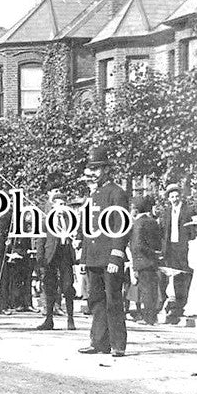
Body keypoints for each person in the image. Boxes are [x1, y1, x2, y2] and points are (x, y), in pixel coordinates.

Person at [77, 147, 131, 357]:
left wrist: (116, 255)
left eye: (98, 169)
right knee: (96, 301)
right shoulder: (93, 195)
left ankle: (118, 344)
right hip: (93, 257)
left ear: (107, 170)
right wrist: (84, 257)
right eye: (91, 168)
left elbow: (121, 226)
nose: (94, 173)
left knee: (113, 301)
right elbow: (87, 229)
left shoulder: (116, 193)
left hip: (109, 257)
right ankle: (99, 342)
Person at [35, 189, 78, 331]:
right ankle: (49, 319)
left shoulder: (70, 220)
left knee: (67, 287)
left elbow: (77, 236)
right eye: (60, 203)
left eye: (64, 204)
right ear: (54, 205)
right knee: (49, 287)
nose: (62, 207)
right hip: (51, 257)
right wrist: (40, 258)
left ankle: (70, 319)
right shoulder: (46, 220)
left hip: (65, 255)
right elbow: (40, 240)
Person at [160, 183, 194, 324]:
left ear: (181, 197)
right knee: (172, 278)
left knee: (184, 277)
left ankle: (181, 306)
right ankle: (174, 308)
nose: (174, 199)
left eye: (177, 196)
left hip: (183, 248)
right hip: (170, 249)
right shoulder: (167, 212)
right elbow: (163, 231)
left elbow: (192, 231)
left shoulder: (188, 211)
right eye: (172, 197)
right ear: (168, 198)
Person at [128, 195, 163, 326]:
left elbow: (137, 245)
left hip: (142, 260)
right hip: (152, 260)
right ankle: (152, 316)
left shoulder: (138, 224)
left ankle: (148, 318)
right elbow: (158, 242)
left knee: (146, 290)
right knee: (152, 289)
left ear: (137, 209)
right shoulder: (152, 222)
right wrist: (156, 254)